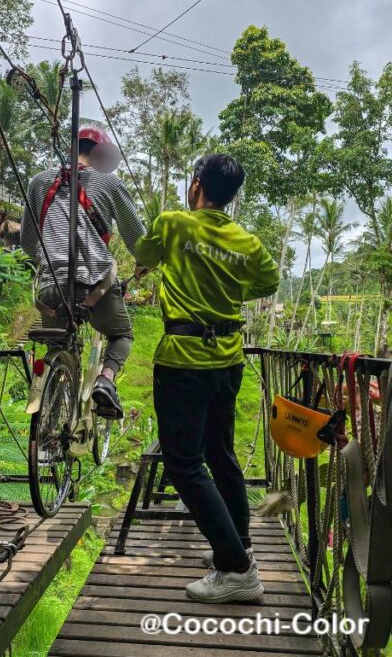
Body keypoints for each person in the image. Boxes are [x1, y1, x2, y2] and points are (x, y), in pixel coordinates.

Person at [133, 153, 279, 603]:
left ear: (196, 185)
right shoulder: (246, 241)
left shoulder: (173, 223)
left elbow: (143, 255)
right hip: (228, 359)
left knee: (184, 464)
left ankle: (236, 569)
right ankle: (239, 545)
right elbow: (269, 282)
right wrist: (230, 286)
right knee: (220, 453)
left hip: (184, 359)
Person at [22, 125, 147, 418]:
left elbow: (28, 243)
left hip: (51, 288)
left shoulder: (38, 182)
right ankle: (106, 380)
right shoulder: (110, 183)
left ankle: (50, 417)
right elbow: (138, 241)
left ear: (71, 150)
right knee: (122, 335)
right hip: (96, 287)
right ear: (102, 155)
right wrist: (143, 262)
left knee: (57, 344)